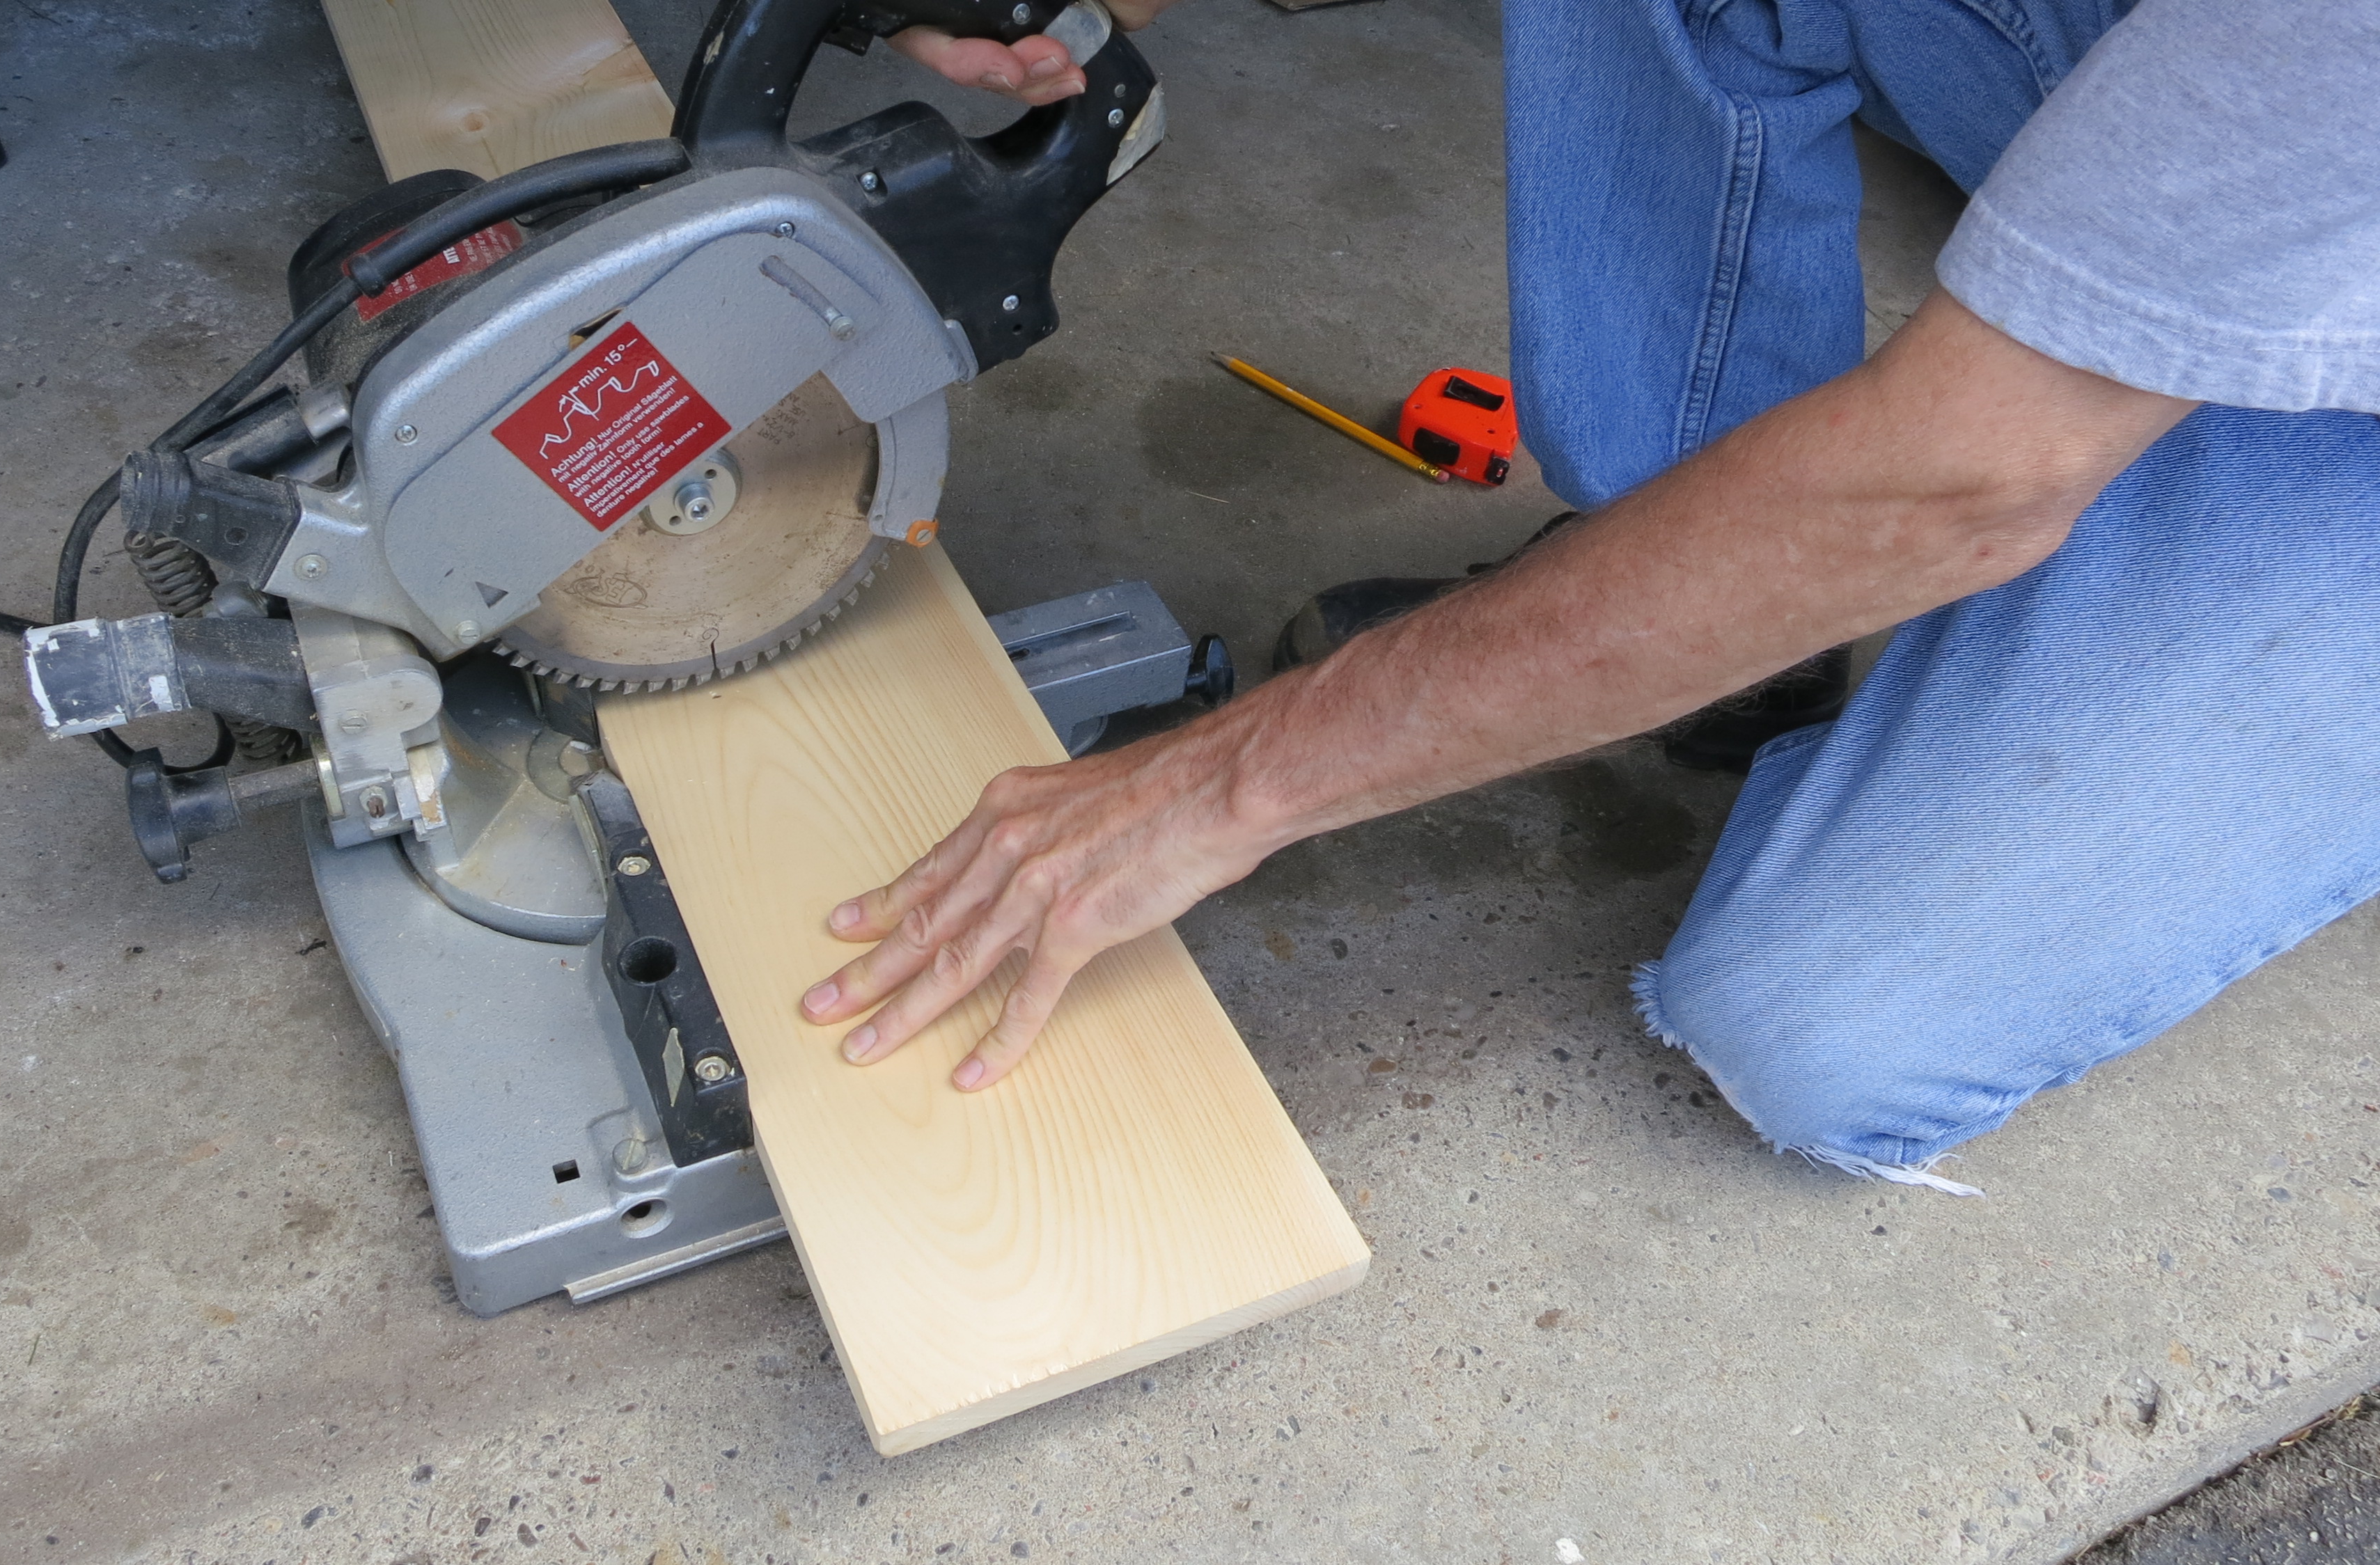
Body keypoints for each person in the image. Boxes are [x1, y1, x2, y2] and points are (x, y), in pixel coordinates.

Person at [802, 0, 2380, 1192]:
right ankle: (1707, 591)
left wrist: (1228, 781)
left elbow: (1957, 481)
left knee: (1816, 1032)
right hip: (2234, 131)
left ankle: (2031, 447)